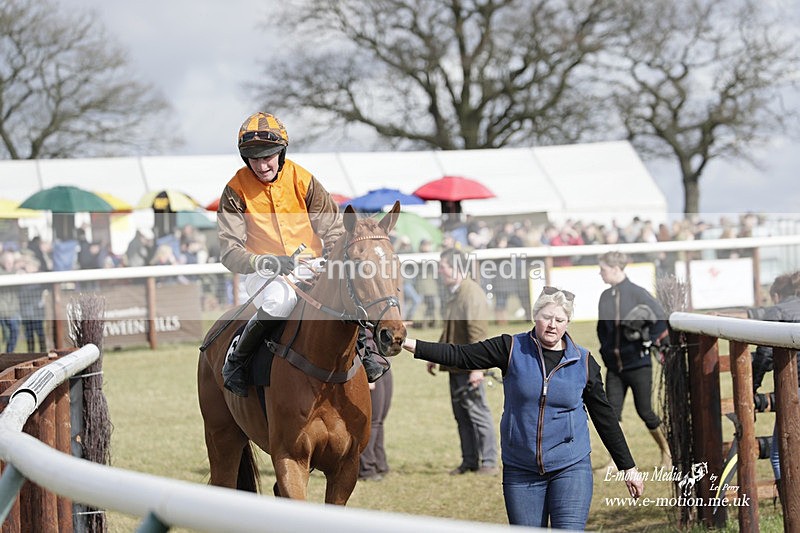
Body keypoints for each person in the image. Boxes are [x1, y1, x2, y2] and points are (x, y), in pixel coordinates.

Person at [403, 286, 643, 529]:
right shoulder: (510, 348)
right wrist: (408, 342)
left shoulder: (584, 363)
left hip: (570, 466)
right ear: (534, 316)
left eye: (560, 320)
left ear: (568, 323)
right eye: (547, 317)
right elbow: (461, 355)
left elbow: (605, 418)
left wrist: (628, 467)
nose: (552, 325)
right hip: (521, 469)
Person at [217, 111, 384, 396]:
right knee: (278, 304)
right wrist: (264, 261)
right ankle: (237, 360)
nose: (261, 164)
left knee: (344, 291)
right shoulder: (234, 190)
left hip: (311, 264)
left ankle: (365, 353)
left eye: (268, 155)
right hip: (265, 271)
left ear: (281, 152)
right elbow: (229, 251)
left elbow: (332, 228)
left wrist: (331, 261)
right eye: (254, 157)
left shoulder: (303, 179)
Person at [427, 248, 499, 476]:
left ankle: (489, 462)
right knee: (462, 416)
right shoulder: (455, 291)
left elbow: (478, 333)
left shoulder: (471, 293)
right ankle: (470, 461)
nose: (440, 271)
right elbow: (450, 329)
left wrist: (478, 368)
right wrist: (434, 356)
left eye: (444, 266)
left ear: (457, 268)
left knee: (478, 413)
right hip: (455, 365)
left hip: (469, 367)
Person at [596, 251, 671, 467]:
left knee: (645, 411)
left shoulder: (638, 293)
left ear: (616, 269)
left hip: (638, 365)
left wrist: (648, 339)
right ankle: (614, 461)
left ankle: (667, 452)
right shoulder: (604, 297)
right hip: (614, 368)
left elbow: (660, 319)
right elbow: (602, 329)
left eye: (603, 269)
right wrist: (606, 351)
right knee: (611, 414)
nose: (600, 273)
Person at [748, 270, 800, 503]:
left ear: (777, 295)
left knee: (779, 454)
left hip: (795, 389)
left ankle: (791, 506)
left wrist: (753, 387)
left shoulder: (777, 312)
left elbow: (765, 355)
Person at [359, 328, 393, 481]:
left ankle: (380, 463)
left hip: (383, 364)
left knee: (380, 418)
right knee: (371, 421)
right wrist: (365, 373)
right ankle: (366, 468)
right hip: (370, 365)